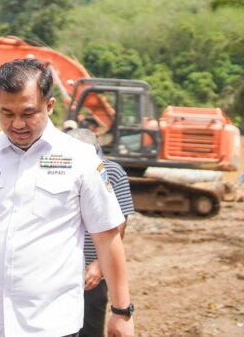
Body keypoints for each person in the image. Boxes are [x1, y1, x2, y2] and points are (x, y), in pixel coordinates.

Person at [0, 59, 135, 337]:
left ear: (50, 106)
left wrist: (122, 311)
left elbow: (106, 236)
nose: (17, 124)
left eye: (29, 113)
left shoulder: (80, 158)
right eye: (7, 113)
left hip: (54, 324)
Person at [66, 128, 135, 337]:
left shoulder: (111, 172)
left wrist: (99, 264)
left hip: (91, 273)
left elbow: (118, 223)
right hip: (60, 271)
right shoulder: (57, 170)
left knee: (89, 330)